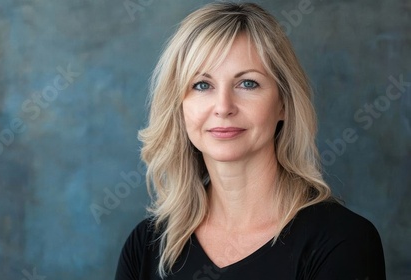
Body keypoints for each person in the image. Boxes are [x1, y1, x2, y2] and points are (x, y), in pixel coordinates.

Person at [115, 2, 386, 279]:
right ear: (179, 106)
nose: (223, 106)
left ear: (283, 103)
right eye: (202, 85)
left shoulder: (342, 242)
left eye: (247, 84)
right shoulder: (146, 246)